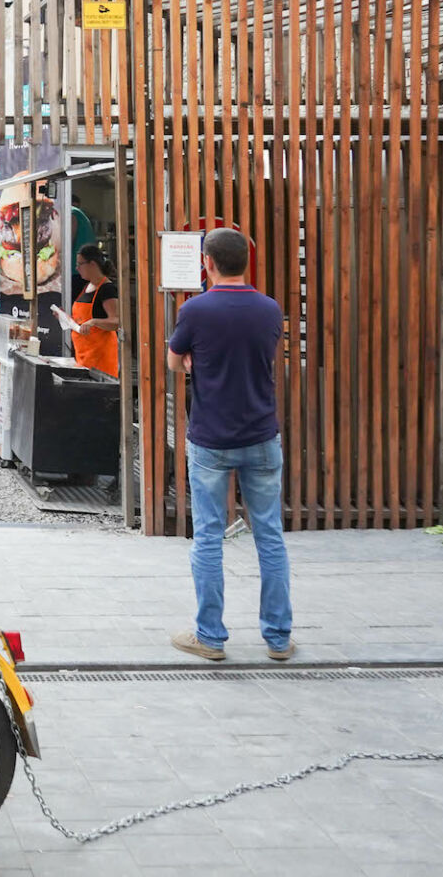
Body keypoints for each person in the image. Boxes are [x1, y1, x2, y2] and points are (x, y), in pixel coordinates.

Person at [166, 228, 293, 662]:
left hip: (211, 438)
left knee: (208, 536)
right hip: (261, 434)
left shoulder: (195, 310)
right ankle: (278, 638)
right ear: (245, 262)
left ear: (208, 262)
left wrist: (191, 359)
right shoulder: (269, 309)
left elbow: (174, 362)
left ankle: (211, 637)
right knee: (270, 536)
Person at [56, 243, 119, 377]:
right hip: (83, 359)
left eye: (80, 264)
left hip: (101, 363)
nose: (77, 268)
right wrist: (64, 317)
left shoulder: (107, 289)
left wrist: (93, 322)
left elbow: (116, 321)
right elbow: (80, 322)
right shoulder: (86, 287)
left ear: (93, 264)